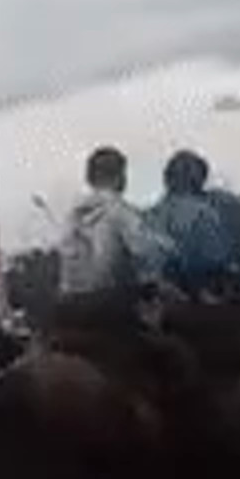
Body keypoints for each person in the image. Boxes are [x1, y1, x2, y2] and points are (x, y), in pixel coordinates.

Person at [52, 146, 175, 347]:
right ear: (119, 177)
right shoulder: (119, 210)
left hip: (67, 305)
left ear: (89, 178)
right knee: (165, 351)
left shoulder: (73, 214)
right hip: (109, 304)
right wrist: (168, 247)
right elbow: (146, 250)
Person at [147, 149, 240, 302]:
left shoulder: (148, 216)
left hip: (156, 301)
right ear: (198, 180)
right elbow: (217, 261)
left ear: (166, 178)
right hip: (197, 302)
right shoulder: (205, 213)